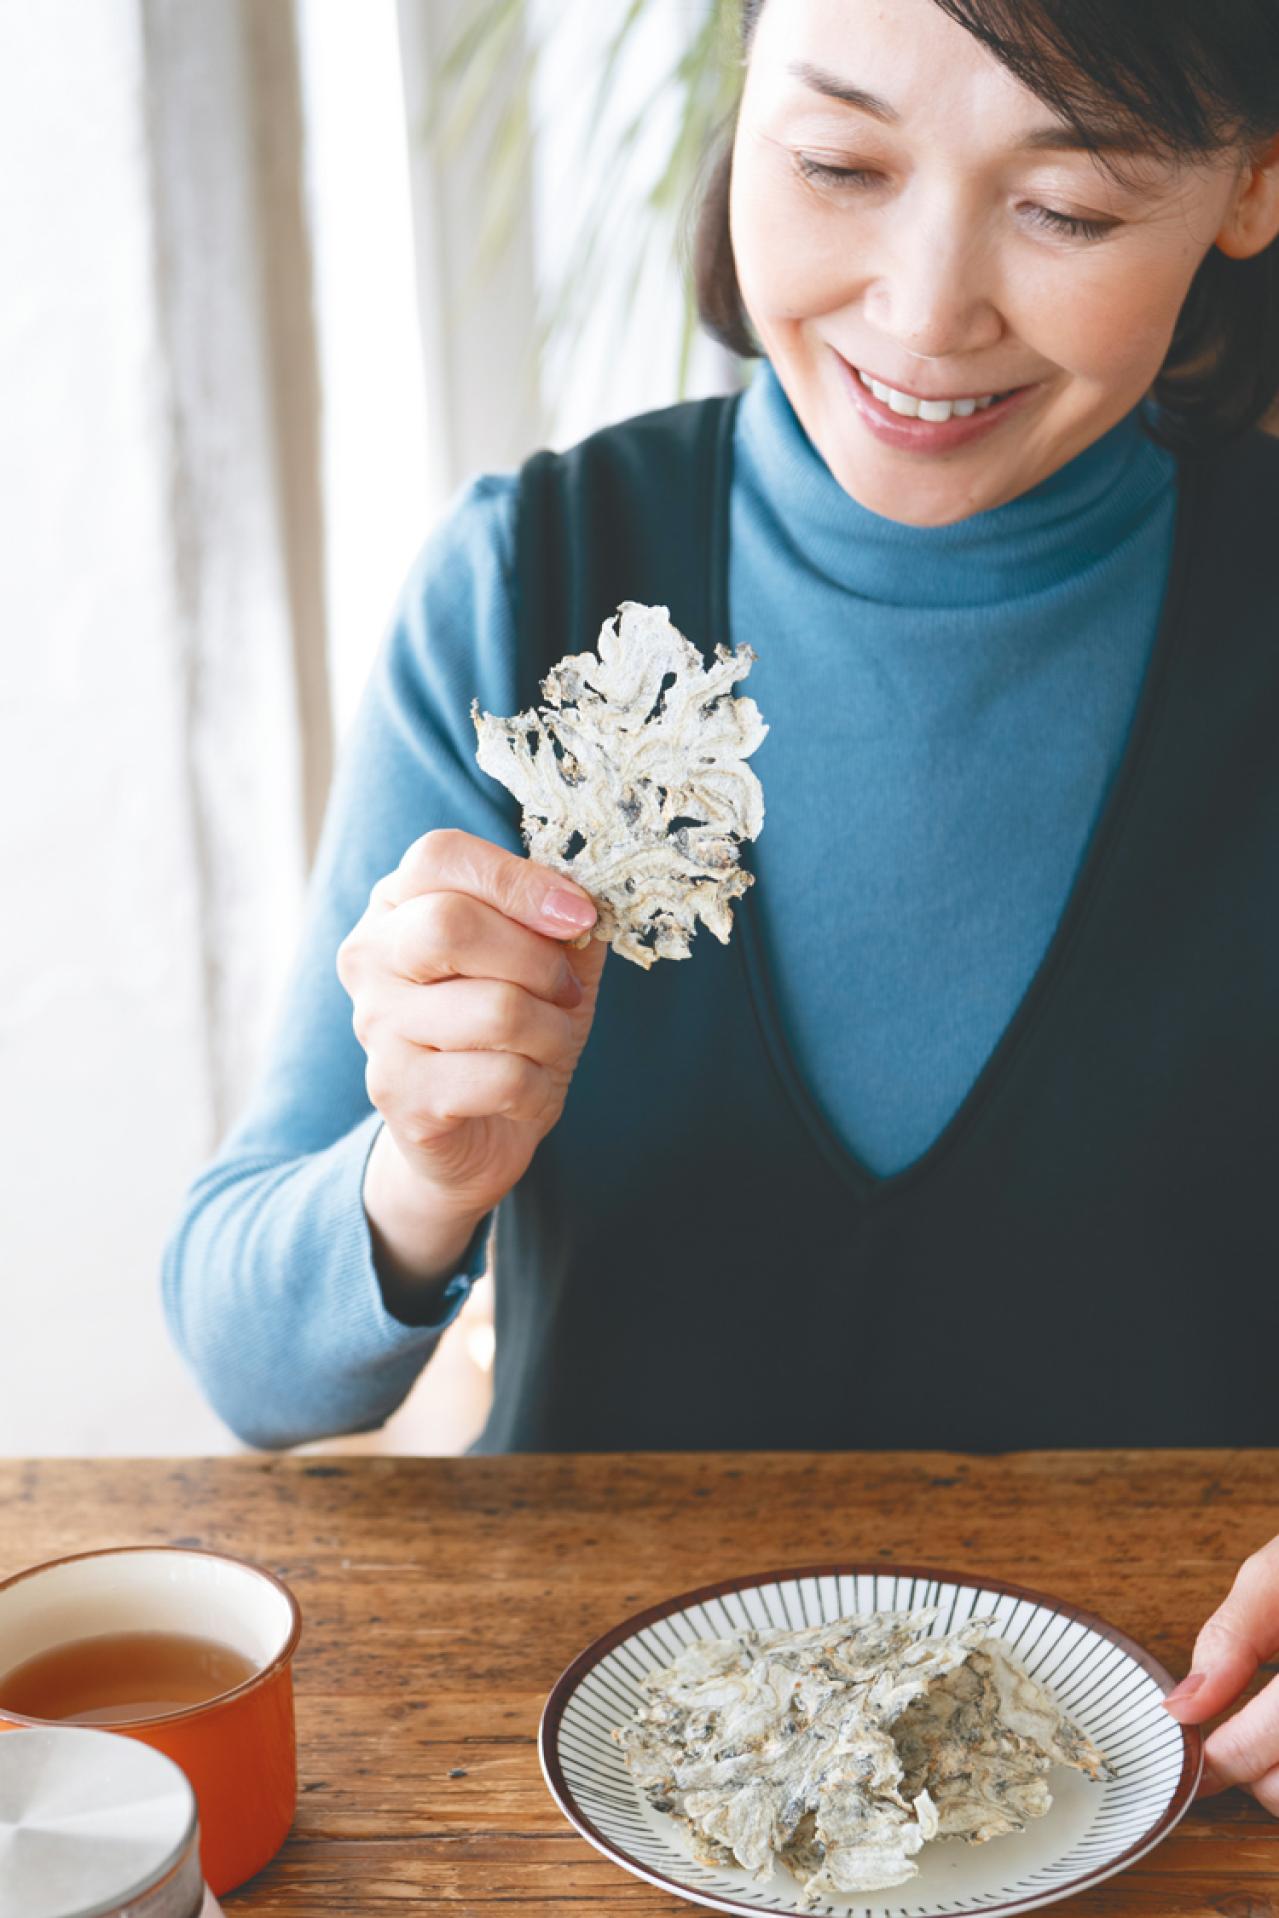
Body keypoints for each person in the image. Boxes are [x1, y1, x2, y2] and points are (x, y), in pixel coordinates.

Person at [163, 0, 1279, 1812]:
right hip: (580, 1792)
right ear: (738, 99)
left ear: (1251, 187)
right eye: (839, 164)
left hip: (1169, 1790)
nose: (923, 313)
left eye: (1063, 208)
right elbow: (246, 1352)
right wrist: (419, 1176)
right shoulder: (531, 583)